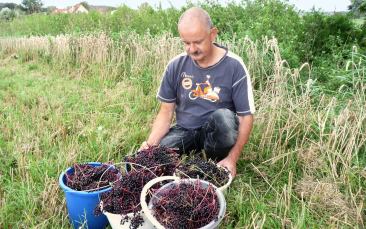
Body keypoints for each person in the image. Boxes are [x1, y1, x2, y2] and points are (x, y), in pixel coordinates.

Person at [140, 7, 255, 177]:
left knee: (225, 119)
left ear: (212, 34)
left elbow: (246, 117)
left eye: (198, 42)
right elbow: (166, 112)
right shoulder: (175, 65)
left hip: (216, 131)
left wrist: (232, 158)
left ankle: (217, 159)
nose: (192, 49)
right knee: (158, 155)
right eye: (186, 43)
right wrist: (150, 146)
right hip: (185, 129)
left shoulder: (235, 66)